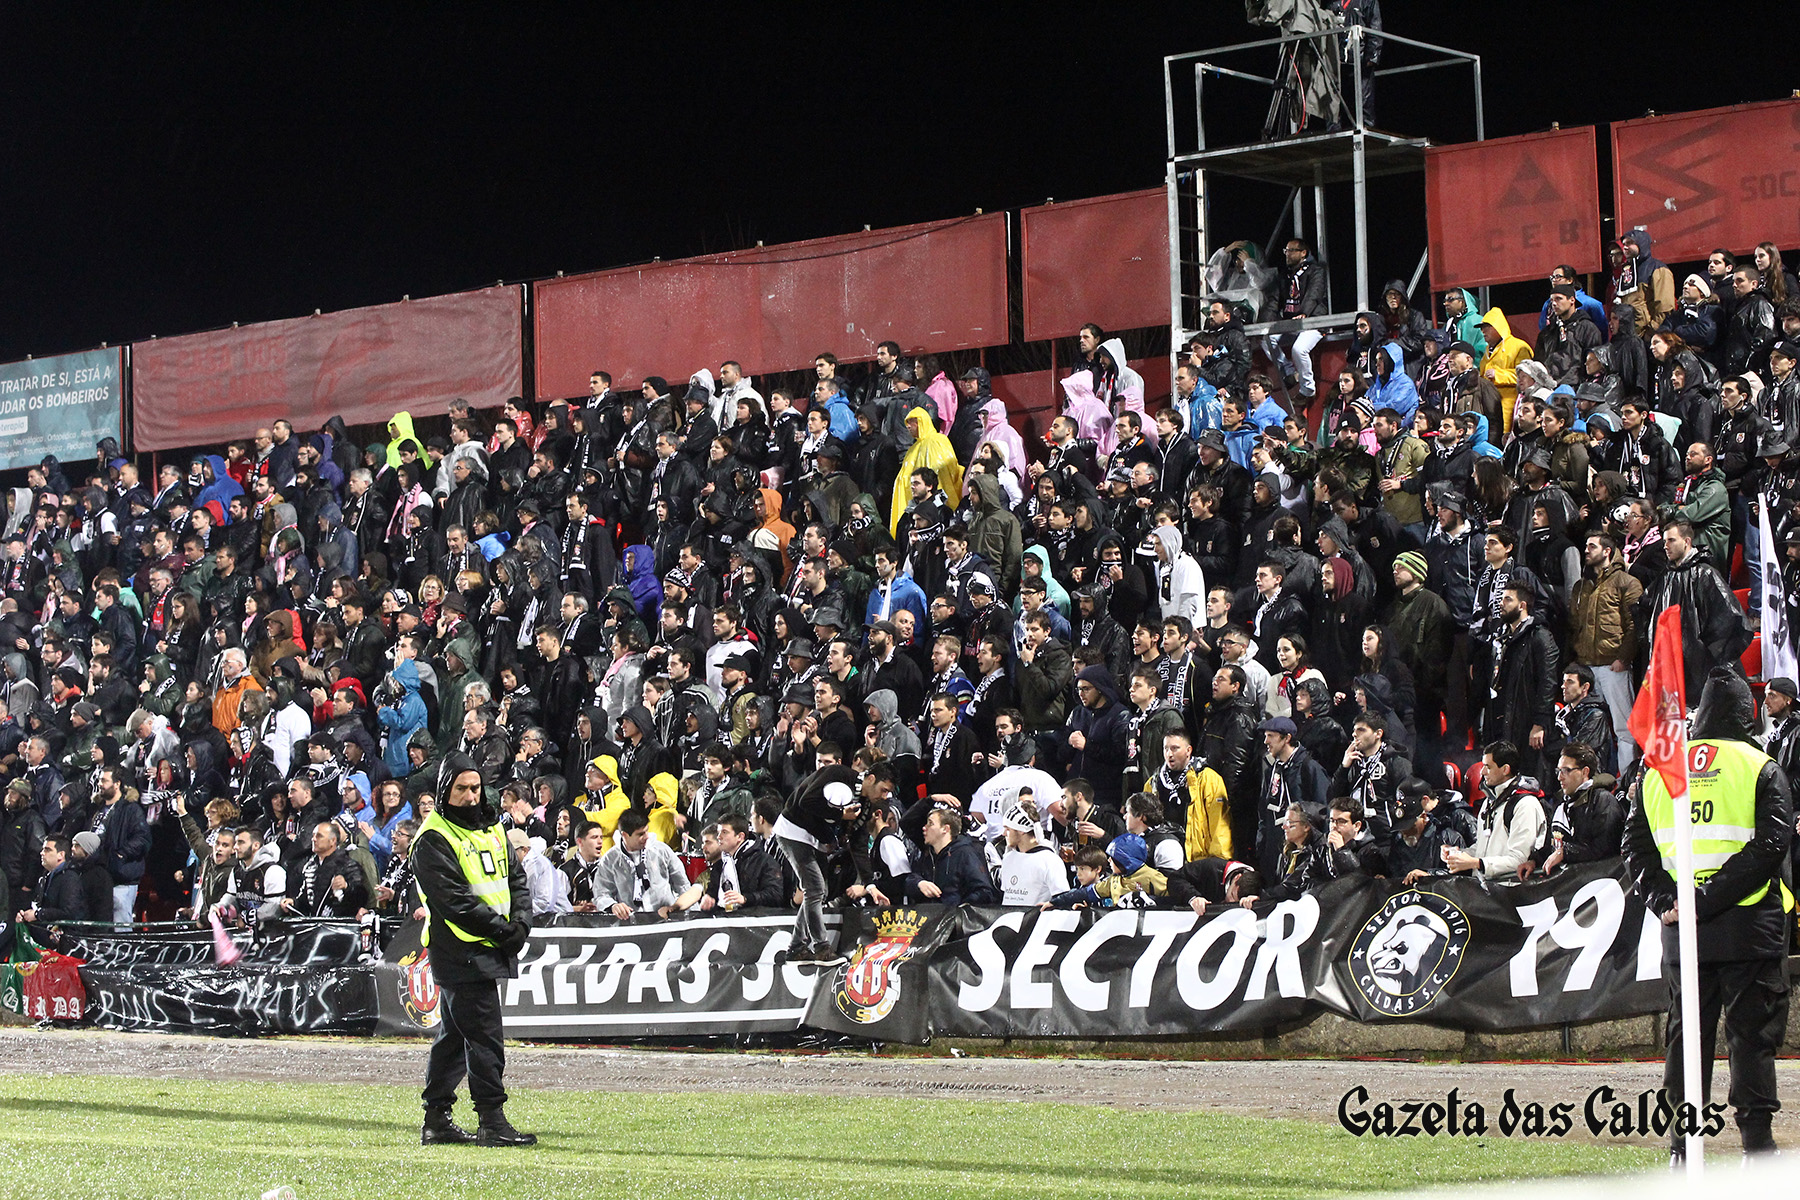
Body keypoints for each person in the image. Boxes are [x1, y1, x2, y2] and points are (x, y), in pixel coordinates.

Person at [1625, 668, 1791, 1161]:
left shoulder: (1660, 771)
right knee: (1751, 1039)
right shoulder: (1760, 766)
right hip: (1747, 927)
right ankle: (1757, 1149)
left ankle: (1682, 1149)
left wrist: (1668, 901)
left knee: (1685, 1040)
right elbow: (1771, 846)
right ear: (1747, 713)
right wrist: (1709, 897)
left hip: (1683, 931)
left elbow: (1634, 847)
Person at [412, 754, 536, 1147]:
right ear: (444, 790)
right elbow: (454, 903)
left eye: (475, 788)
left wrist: (521, 923)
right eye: (461, 788)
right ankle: (491, 1120)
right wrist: (506, 931)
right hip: (458, 949)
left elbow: (517, 880)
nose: (470, 796)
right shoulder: (432, 838)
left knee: (454, 1037)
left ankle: (437, 1119)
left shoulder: (493, 826)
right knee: (484, 1037)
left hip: (486, 945)